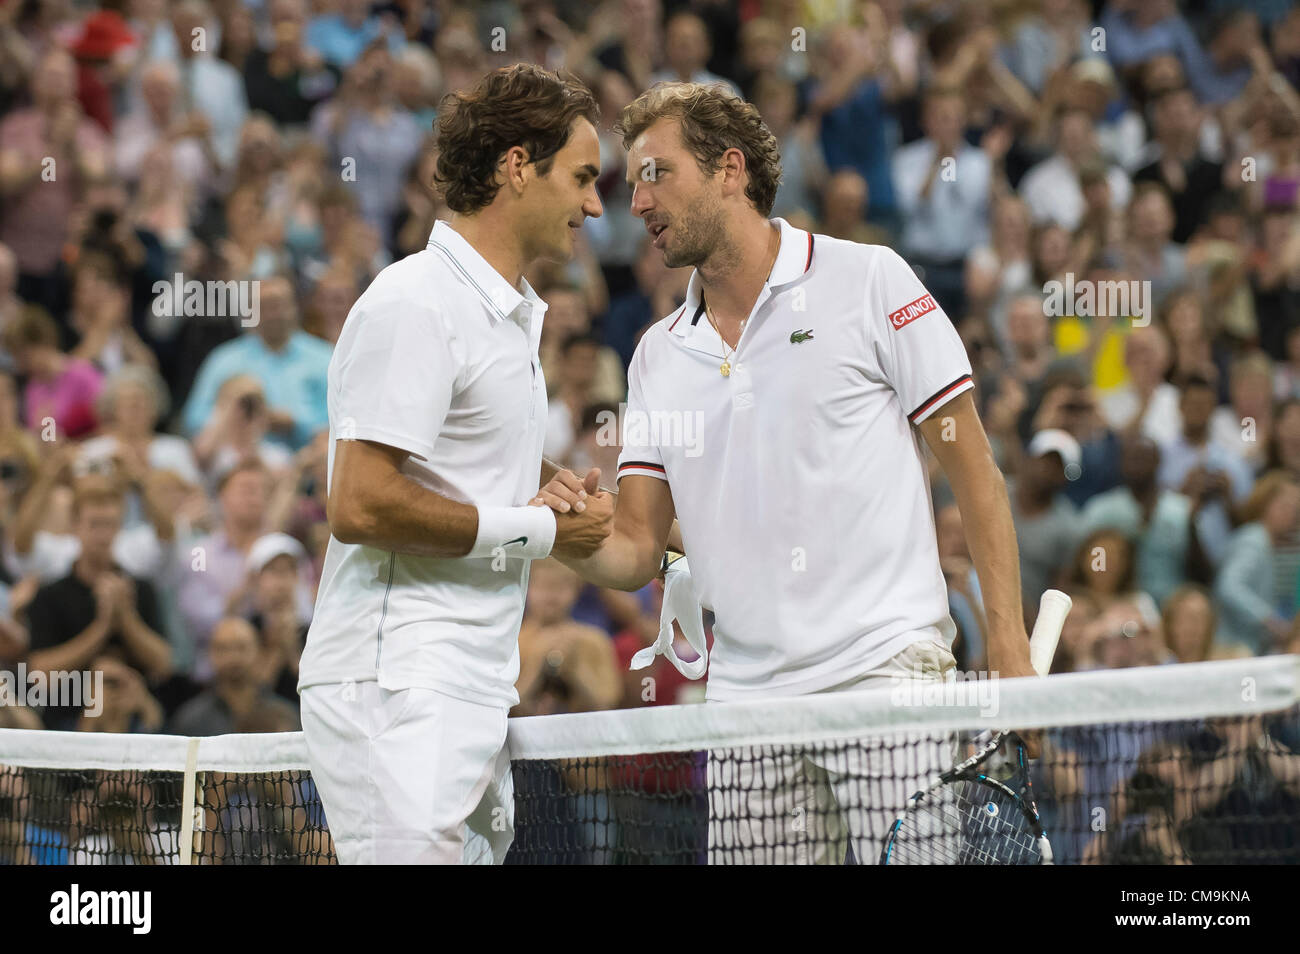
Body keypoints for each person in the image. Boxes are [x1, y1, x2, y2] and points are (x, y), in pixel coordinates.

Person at [537, 82, 1034, 865]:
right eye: (631, 180)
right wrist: (546, 529)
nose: (636, 201)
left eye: (657, 173)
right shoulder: (657, 356)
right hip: (746, 707)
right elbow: (635, 547)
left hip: (884, 676)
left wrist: (1007, 642)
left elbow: (975, 472)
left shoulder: (872, 282)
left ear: (730, 170)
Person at [297, 64, 613, 866]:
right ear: (517, 166)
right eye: (580, 177)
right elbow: (360, 504)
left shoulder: (504, 319)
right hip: (399, 684)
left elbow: (461, 468)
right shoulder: (416, 301)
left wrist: (545, 494)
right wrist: (537, 529)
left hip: (468, 687)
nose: (595, 205)